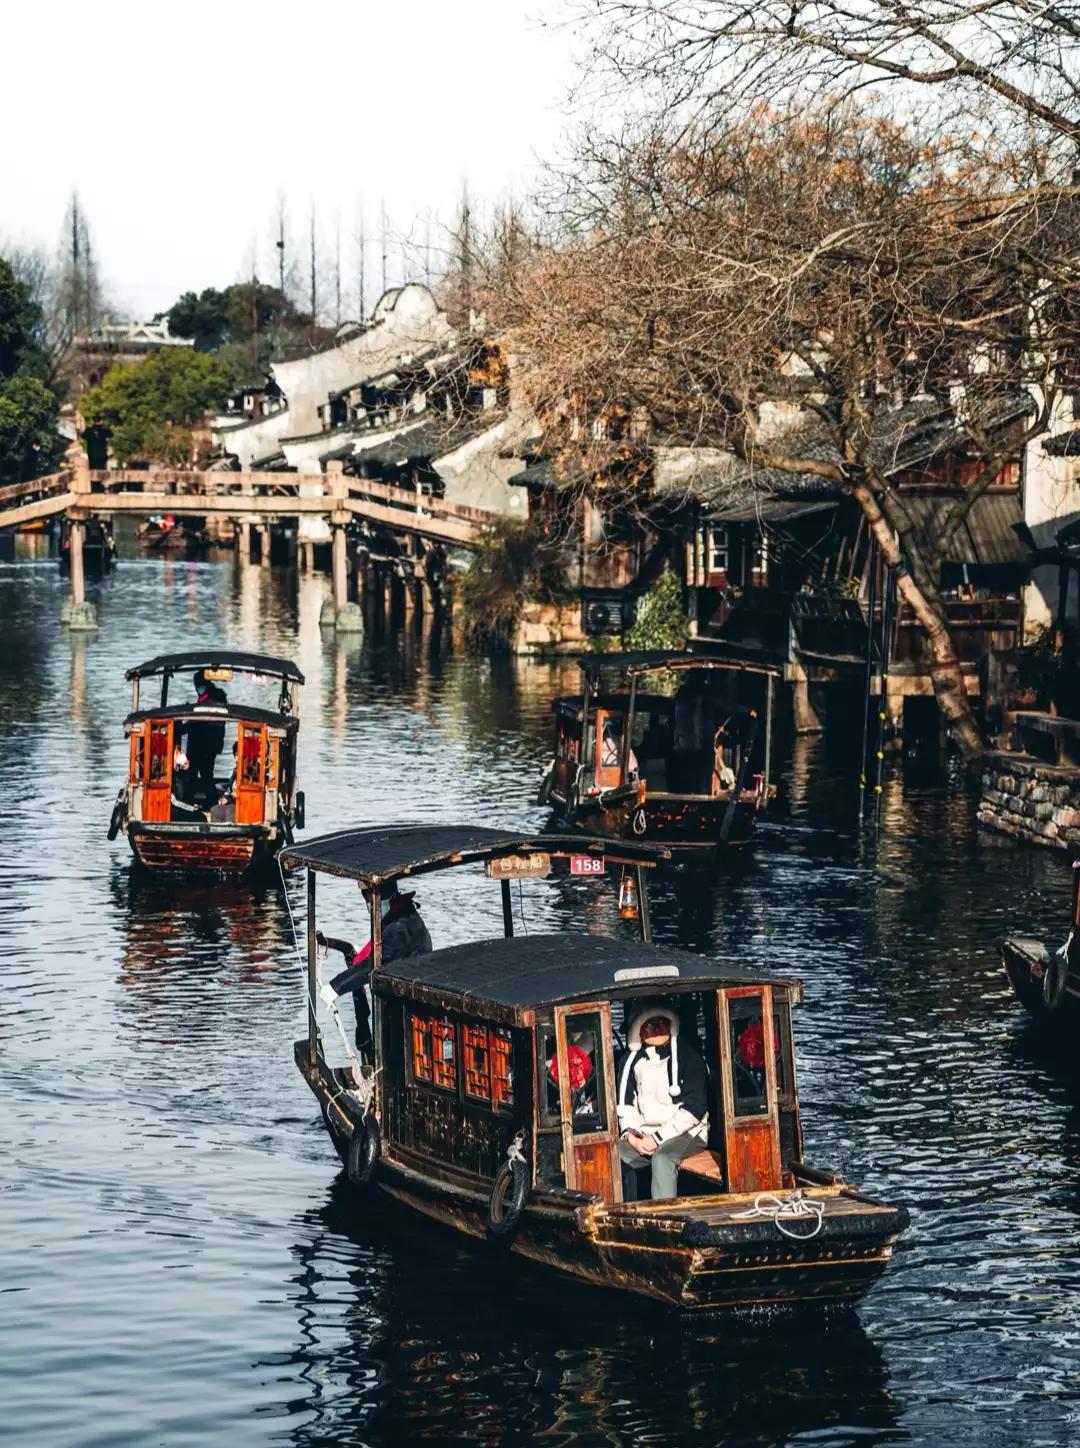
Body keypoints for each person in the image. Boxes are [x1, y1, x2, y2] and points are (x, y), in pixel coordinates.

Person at [318, 880, 432, 1055]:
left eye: (371, 902)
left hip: (410, 1004)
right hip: (405, 993)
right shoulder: (401, 914)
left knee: (397, 1048)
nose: (370, 907)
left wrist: (336, 987)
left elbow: (374, 964)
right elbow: (378, 947)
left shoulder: (399, 928)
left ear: (387, 897)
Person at [616, 1002, 709, 1201]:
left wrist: (657, 1138)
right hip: (643, 1134)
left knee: (662, 1158)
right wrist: (632, 1136)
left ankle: (664, 1214)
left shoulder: (689, 1057)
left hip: (687, 1132)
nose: (657, 1029)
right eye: (649, 1025)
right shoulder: (630, 1062)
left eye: (661, 1022)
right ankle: (624, 1210)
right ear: (638, 1029)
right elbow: (626, 1105)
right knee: (613, 1154)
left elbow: (695, 1109)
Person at [183, 670, 228, 804]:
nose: (197, 688)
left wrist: (188, 721)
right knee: (203, 774)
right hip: (207, 745)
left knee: (199, 775)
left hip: (203, 745)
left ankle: (193, 802)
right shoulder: (210, 698)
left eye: (198, 684)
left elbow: (199, 723)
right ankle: (207, 801)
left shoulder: (212, 699)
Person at [169, 748, 207, 821]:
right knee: (201, 818)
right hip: (173, 811)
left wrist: (192, 806)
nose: (181, 756)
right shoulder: (171, 776)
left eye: (180, 753)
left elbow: (183, 796)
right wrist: (191, 808)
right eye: (177, 754)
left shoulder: (179, 773)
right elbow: (175, 801)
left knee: (201, 816)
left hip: (180, 808)